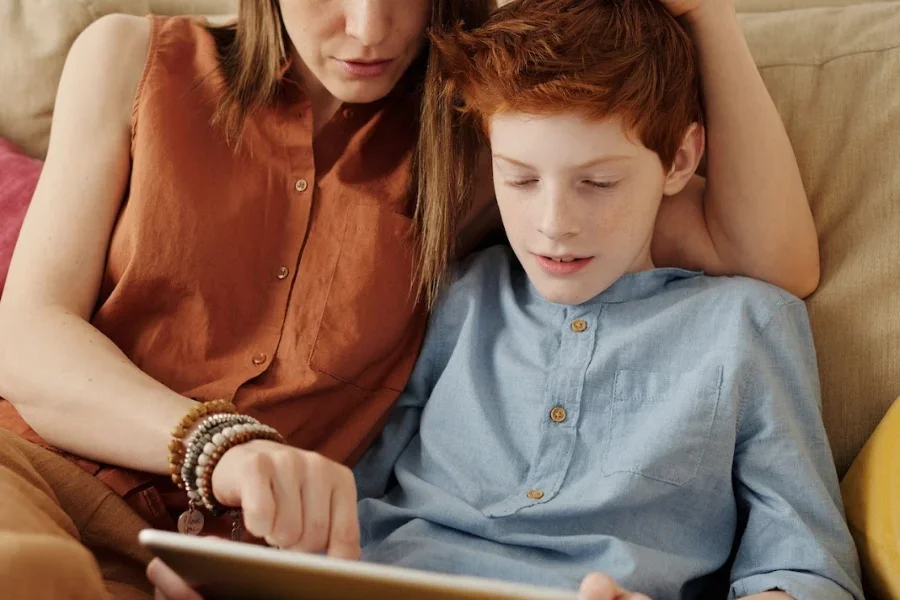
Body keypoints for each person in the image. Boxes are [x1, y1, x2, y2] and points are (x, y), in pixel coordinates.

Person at [0, 0, 819, 598]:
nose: (367, 28)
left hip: (241, 558)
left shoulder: (482, 141)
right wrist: (226, 447)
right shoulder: (129, 58)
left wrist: (709, 15)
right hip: (40, 474)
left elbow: (761, 259)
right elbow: (26, 338)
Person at [352, 1, 863, 599]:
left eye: (597, 184)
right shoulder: (461, 294)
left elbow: (805, 566)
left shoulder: (745, 324)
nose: (553, 224)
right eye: (519, 179)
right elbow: (350, 491)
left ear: (679, 160)